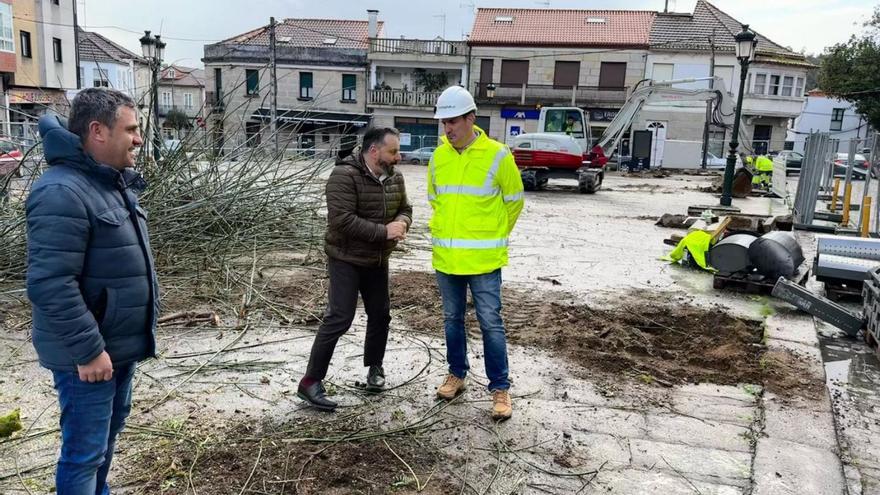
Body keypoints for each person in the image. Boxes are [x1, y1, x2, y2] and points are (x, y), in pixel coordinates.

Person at [26, 88, 158, 495]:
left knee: (102, 446)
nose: (138, 139)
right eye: (131, 129)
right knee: (83, 455)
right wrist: (88, 350)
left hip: (116, 347)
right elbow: (51, 283)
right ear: (98, 131)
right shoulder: (61, 192)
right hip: (88, 357)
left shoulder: (108, 183)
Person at [297, 127, 413, 411]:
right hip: (346, 258)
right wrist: (384, 232)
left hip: (377, 260)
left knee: (380, 315)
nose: (398, 157)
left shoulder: (395, 177)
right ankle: (310, 382)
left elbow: (406, 209)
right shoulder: (343, 176)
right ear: (374, 151)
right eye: (393, 151)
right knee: (339, 318)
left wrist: (403, 223)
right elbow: (342, 221)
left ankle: (375, 369)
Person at [429, 86, 525, 421]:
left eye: (453, 121)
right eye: (443, 123)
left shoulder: (498, 155)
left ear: (472, 117)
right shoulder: (439, 157)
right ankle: (457, 374)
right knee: (452, 321)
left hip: (483, 261)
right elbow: (435, 199)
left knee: (490, 324)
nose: (448, 129)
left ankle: (500, 387)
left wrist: (494, 236)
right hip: (447, 260)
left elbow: (514, 203)